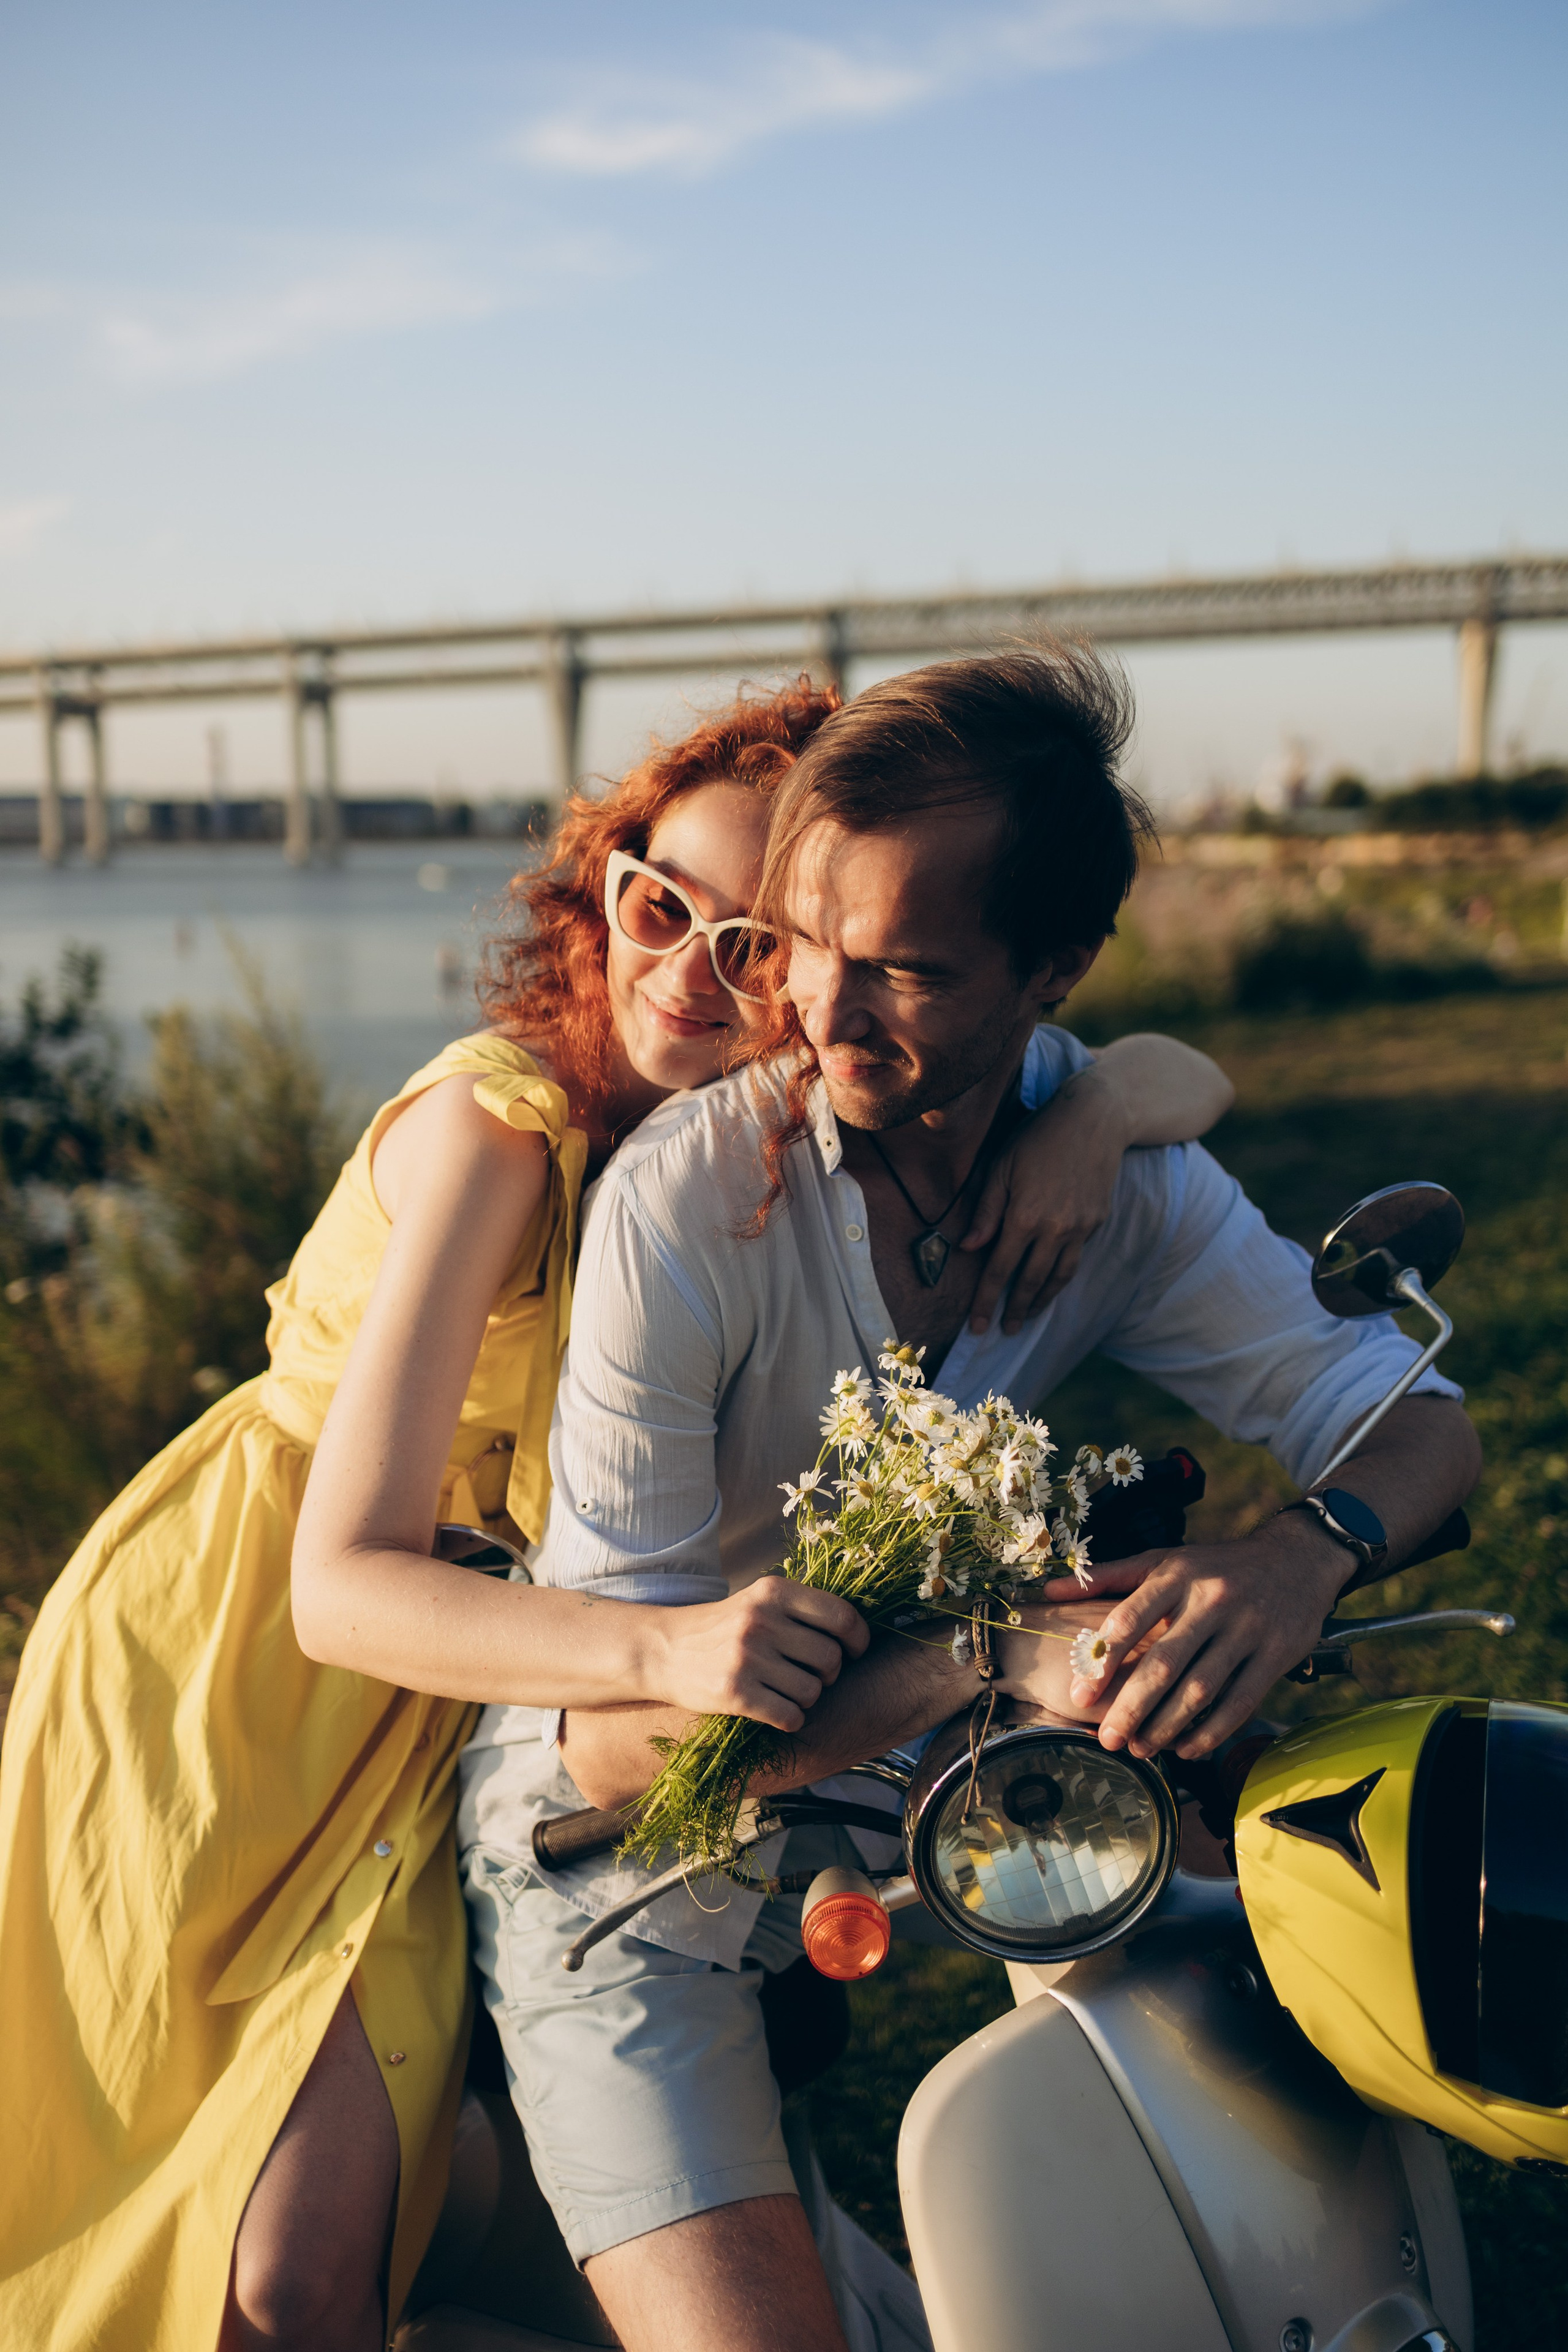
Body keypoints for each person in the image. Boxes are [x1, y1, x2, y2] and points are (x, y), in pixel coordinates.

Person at [0, 675, 1227, 2352]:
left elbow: (1168, 1065)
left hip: (460, 1694)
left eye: (748, 940)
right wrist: (676, 1648)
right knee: (227, 2225)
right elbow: (336, 1588)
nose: (684, 967)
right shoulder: (507, 1128)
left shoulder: (733, 1168)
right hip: (244, 1664)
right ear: (606, 879)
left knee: (306, 2230)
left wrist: (1091, 1109)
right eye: (658, 902)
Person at [459, 643, 1482, 2352]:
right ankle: (505, 2226)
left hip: (935, 1774)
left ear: (1057, 972)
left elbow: (1420, 1427)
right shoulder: (686, 1210)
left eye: (909, 972)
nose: (820, 1016)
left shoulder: (1116, 1175)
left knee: (1264, 2071)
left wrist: (1303, 1559)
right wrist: (996, 1646)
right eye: (805, 950)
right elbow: (617, 1752)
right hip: (622, 1864)